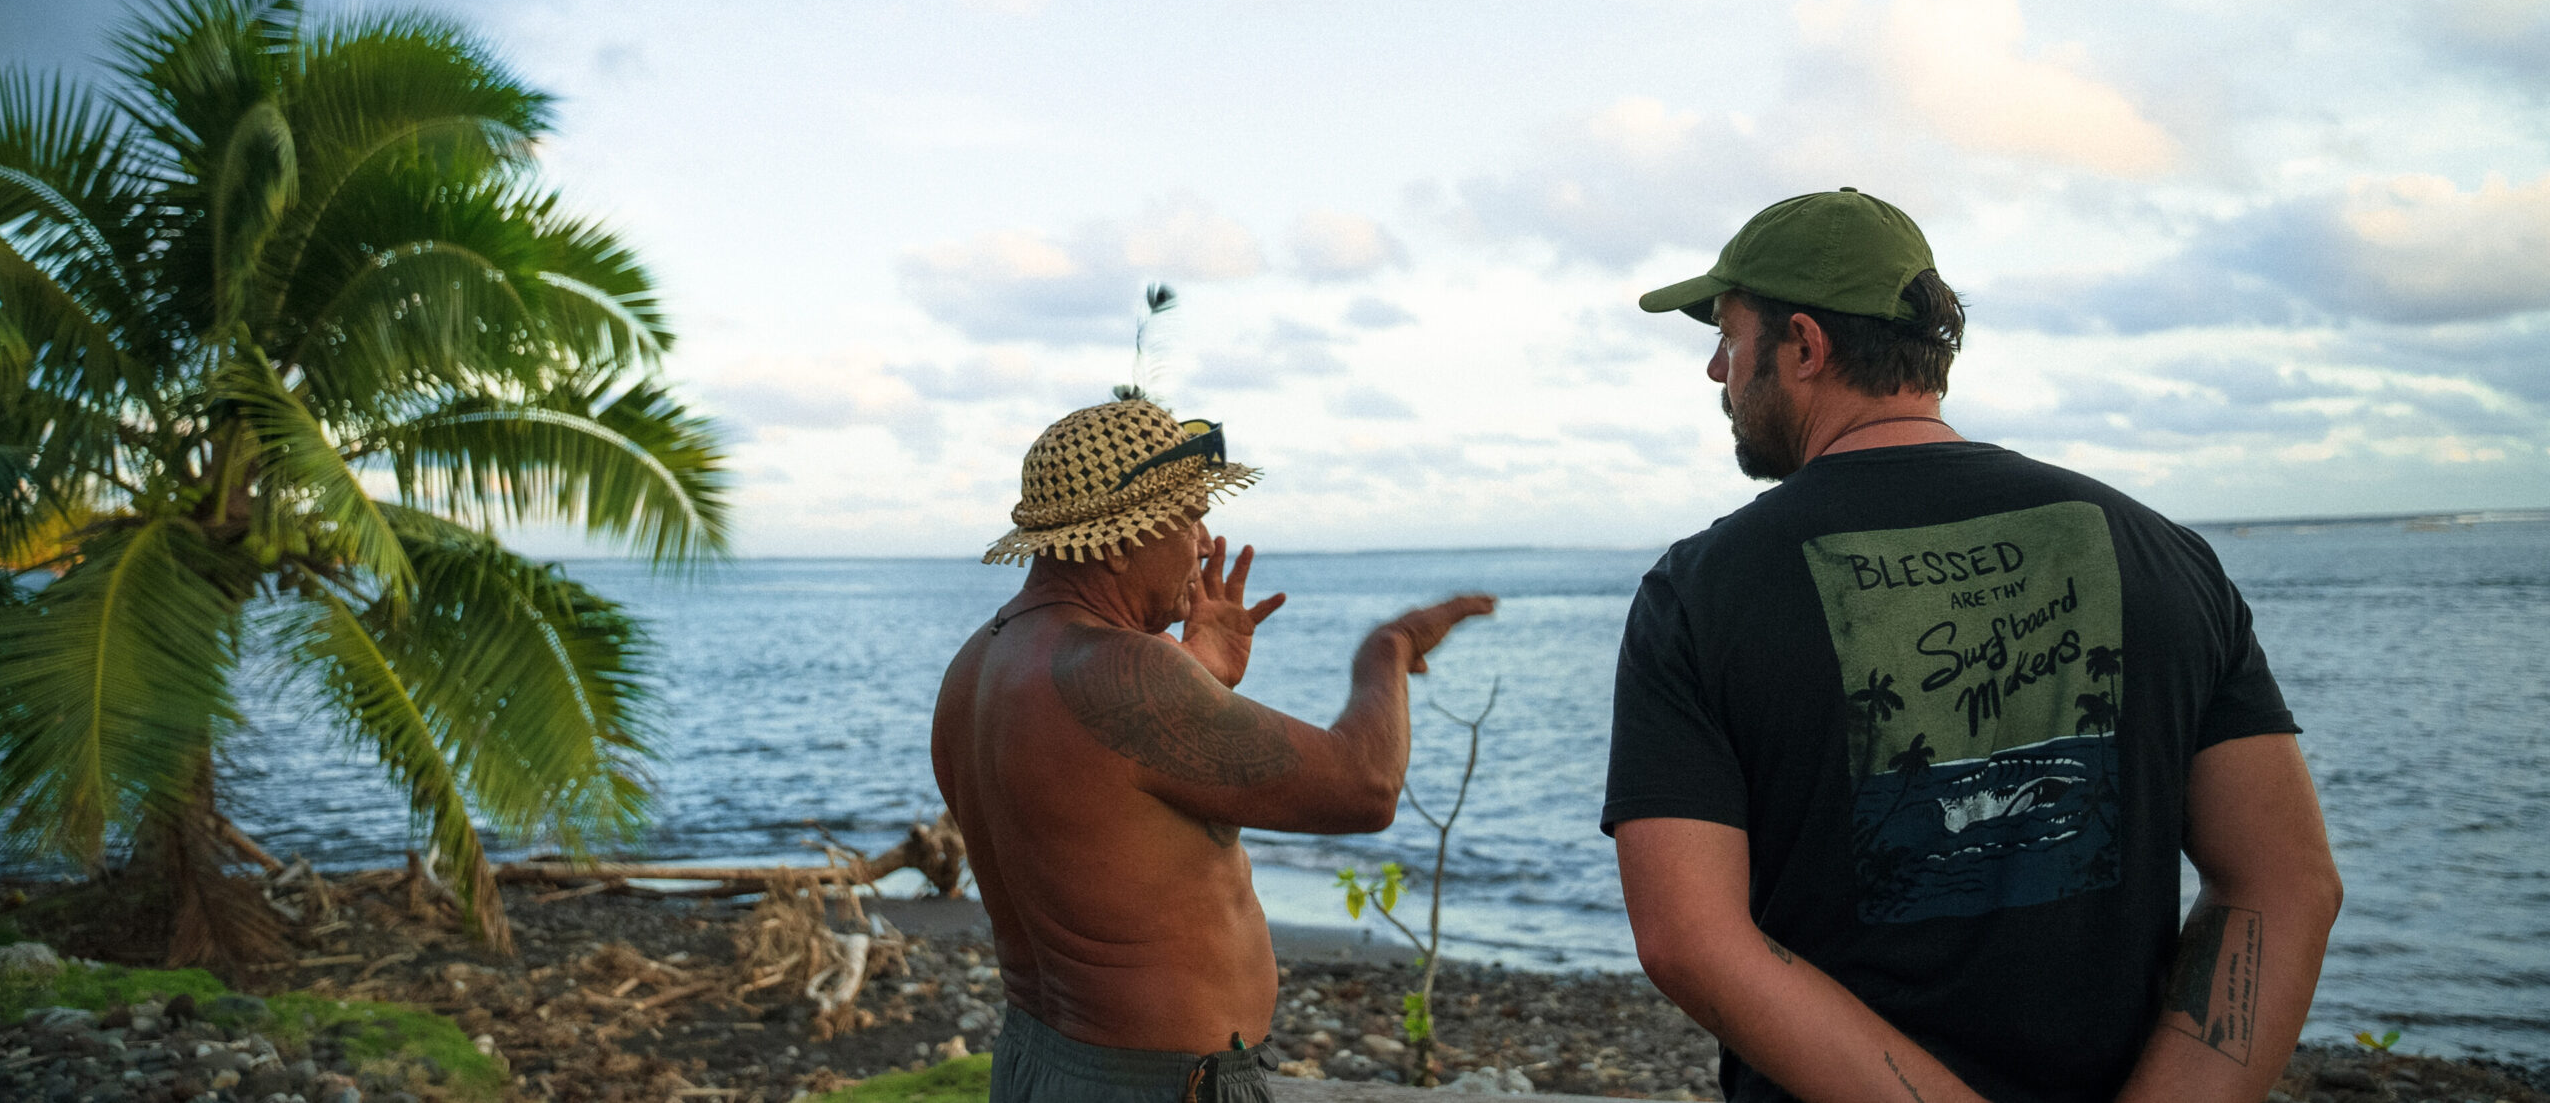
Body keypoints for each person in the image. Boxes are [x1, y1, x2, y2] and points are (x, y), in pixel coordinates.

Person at [1603, 188, 2344, 1103]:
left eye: (1727, 333)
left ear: (1803, 344)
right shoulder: (2162, 555)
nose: (1717, 368)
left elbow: (1690, 940)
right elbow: (2285, 885)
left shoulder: (1700, 593)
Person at [933, 395, 1494, 1103]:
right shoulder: (1117, 670)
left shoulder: (978, 665)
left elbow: (1101, 812)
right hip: (1159, 1084)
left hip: (1038, 1062)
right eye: (1189, 516)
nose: (1203, 542)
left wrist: (1194, 669)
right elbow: (1366, 785)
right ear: (1114, 540)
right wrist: (1388, 647)